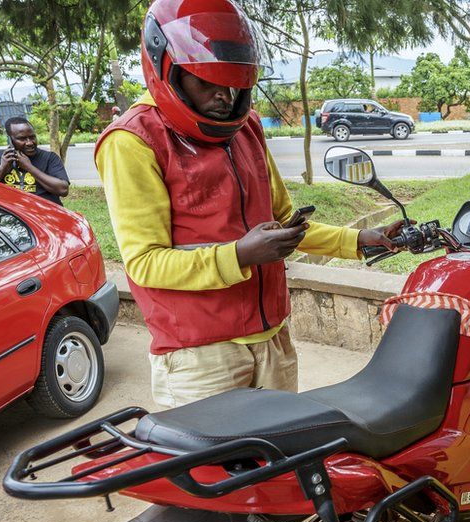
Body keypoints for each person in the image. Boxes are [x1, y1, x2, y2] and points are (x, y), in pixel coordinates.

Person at [95, 0, 404, 408]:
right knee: (219, 473)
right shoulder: (133, 141)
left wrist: (359, 239)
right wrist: (240, 254)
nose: (225, 97)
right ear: (164, 67)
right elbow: (145, 263)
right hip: (201, 356)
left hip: (273, 339)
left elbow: (279, 223)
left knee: (281, 464)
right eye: (207, 83)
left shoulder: (247, 127)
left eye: (235, 83)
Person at [0, 117, 70, 205]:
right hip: (10, 214)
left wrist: (29, 167)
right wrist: (2, 168)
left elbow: (63, 190)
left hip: (42, 214)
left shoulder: (49, 158)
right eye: (22, 139)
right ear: (10, 140)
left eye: (32, 137)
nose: (30, 142)